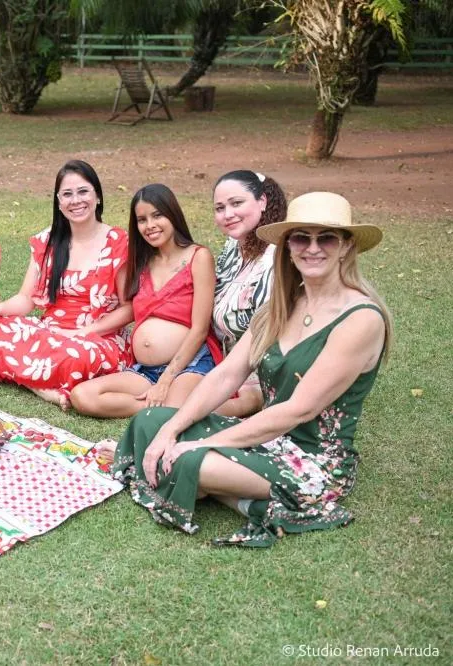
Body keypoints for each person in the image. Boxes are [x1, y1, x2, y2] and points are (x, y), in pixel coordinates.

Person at [112, 192, 390, 547]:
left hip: (313, 462)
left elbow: (298, 409)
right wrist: (172, 429)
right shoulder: (284, 304)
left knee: (189, 462)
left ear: (346, 247)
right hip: (266, 439)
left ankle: (239, 496)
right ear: (289, 246)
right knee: (149, 422)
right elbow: (227, 374)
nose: (313, 248)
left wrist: (200, 445)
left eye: (327, 238)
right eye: (302, 237)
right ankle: (232, 492)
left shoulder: (361, 319)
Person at [0, 160, 130, 410]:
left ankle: (14, 372)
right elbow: (25, 300)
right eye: (67, 194)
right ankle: (40, 386)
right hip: (51, 331)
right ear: (59, 202)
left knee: (78, 357)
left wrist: (83, 333)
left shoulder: (117, 242)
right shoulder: (48, 241)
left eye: (83, 191)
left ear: (97, 197)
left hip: (97, 336)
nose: (76, 201)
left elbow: (130, 309)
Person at [70, 184, 221, 418]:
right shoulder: (143, 263)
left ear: (173, 214)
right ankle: (162, 408)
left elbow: (200, 329)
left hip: (188, 364)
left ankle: (184, 406)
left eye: (157, 215)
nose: (150, 226)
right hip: (145, 371)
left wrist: (167, 379)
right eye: (142, 220)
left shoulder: (198, 257)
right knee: (82, 396)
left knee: (171, 413)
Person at [212, 170, 288, 417]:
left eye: (236, 203)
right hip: (221, 359)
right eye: (220, 208)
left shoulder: (277, 258)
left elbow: (270, 334)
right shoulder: (234, 246)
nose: (228, 214)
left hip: (256, 368)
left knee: (208, 406)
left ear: (263, 201)